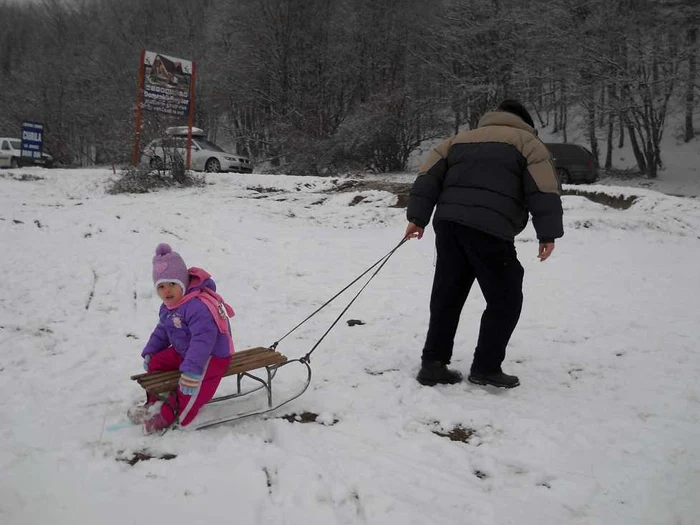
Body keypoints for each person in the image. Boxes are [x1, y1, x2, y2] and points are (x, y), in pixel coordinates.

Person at [404, 99, 563, 389]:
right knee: (506, 298)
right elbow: (543, 189)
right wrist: (547, 234)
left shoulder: (457, 141)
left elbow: (427, 177)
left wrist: (418, 218)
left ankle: (433, 364)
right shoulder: (528, 143)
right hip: (491, 229)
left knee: (448, 294)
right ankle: (486, 367)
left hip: (449, 225)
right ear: (524, 120)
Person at [128, 243, 235, 433]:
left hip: (211, 357)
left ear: (183, 283)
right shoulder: (169, 307)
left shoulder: (197, 307)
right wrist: (150, 352)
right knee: (157, 362)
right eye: (161, 286)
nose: (167, 291)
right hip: (185, 351)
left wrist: (192, 371)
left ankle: (169, 416)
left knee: (189, 389)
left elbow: (203, 341)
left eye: (172, 284)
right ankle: (154, 404)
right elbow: (163, 330)